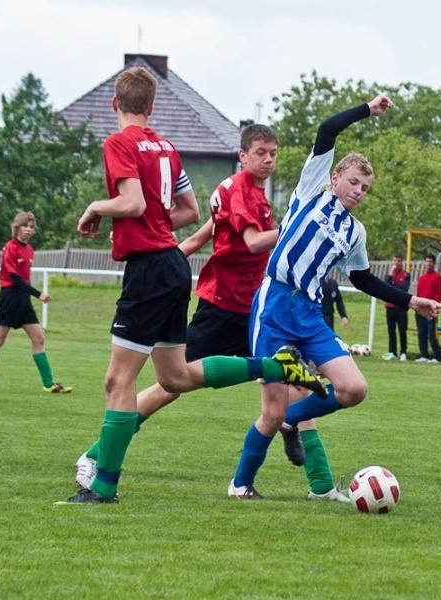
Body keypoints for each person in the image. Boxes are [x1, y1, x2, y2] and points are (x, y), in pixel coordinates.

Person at [57, 67, 323, 505]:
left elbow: (134, 202)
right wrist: (138, 226)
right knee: (175, 376)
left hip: (149, 269)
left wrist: (96, 208)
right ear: (153, 104)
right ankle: (276, 368)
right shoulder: (166, 147)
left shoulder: (118, 143)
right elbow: (185, 211)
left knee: (117, 381)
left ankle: (103, 485)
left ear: (115, 104)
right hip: (174, 268)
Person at [228, 94, 441, 497]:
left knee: (353, 389)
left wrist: (411, 300)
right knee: (269, 412)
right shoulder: (311, 192)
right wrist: (367, 110)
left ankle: (295, 419)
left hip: (309, 313)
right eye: (353, 181)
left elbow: (362, 279)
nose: (358, 190)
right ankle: (241, 485)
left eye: (365, 187)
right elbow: (327, 130)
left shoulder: (355, 232)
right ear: (334, 178)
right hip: (275, 304)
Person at [0, 211, 73, 394]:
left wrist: (31, 294)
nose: (28, 230)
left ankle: (49, 384)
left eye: (31, 227)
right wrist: (38, 294)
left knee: (38, 338)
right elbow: (14, 277)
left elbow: (24, 280)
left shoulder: (29, 250)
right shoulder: (10, 247)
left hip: (23, 299)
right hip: (9, 297)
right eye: (24, 226)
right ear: (17, 228)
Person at [415, 254, 441, 363]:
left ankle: (437, 356)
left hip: (431, 310)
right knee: (421, 332)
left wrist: (434, 309)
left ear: (434, 263)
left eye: (430, 261)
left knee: (431, 333)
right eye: (427, 261)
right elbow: (418, 294)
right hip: (420, 310)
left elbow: (438, 294)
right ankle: (424, 355)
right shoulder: (422, 278)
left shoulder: (437, 277)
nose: (428, 264)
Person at [382, 252, 410, 361]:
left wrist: (393, 287)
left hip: (401, 307)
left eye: (398, 261)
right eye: (395, 260)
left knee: (402, 330)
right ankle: (392, 352)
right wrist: (390, 275)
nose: (396, 263)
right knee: (391, 330)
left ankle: (403, 352)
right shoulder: (389, 274)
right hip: (390, 306)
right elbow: (385, 286)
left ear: (401, 262)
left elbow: (404, 289)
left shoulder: (406, 275)